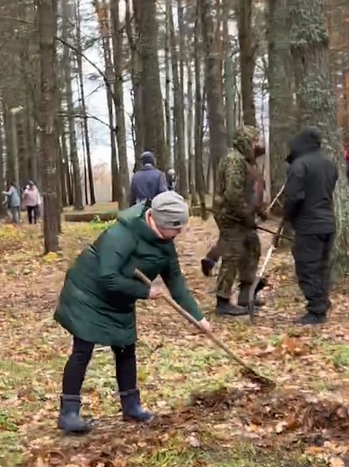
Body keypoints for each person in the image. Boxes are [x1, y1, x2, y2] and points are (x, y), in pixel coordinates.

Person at [51, 192, 209, 434]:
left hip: (120, 299)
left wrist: (199, 318)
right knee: (83, 348)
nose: (179, 233)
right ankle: (69, 413)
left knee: (126, 347)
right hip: (88, 293)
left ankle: (131, 405)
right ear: (160, 221)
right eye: (176, 228)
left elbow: (176, 282)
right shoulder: (121, 234)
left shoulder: (165, 246)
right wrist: (145, 292)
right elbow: (108, 277)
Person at [282, 127, 339, 325]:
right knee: (322, 266)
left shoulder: (299, 166)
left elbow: (294, 196)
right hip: (328, 223)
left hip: (309, 225)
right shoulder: (329, 164)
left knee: (307, 267)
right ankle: (321, 302)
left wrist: (287, 215)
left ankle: (316, 309)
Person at [212, 126, 267, 317]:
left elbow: (251, 190)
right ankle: (223, 300)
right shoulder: (234, 160)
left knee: (252, 249)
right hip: (230, 216)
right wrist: (246, 215)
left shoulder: (247, 161)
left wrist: (259, 211)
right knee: (232, 255)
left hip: (244, 216)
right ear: (245, 141)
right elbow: (233, 194)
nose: (257, 144)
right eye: (254, 141)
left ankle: (246, 294)